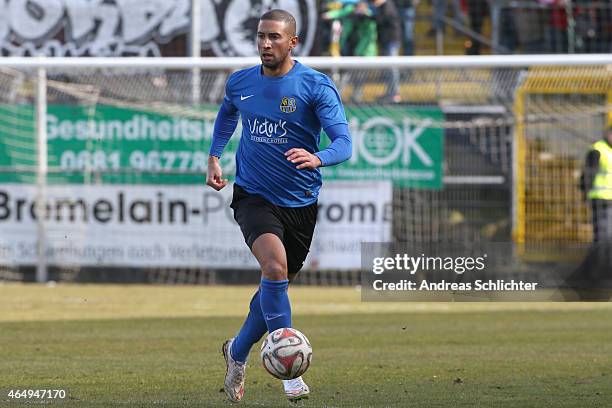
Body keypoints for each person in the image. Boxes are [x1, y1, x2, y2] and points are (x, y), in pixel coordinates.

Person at [206, 9, 352, 403]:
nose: (265, 44)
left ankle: (236, 352)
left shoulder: (315, 86)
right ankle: (289, 372)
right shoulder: (241, 82)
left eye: (274, 37)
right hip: (253, 195)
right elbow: (227, 114)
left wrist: (318, 157)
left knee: (274, 286)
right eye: (260, 36)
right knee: (273, 266)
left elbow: (344, 143)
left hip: (301, 202)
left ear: (292, 42)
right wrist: (215, 155)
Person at [572, 124, 612, 299]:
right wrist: (585, 194)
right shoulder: (598, 150)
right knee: (603, 241)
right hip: (602, 202)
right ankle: (593, 278)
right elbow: (587, 176)